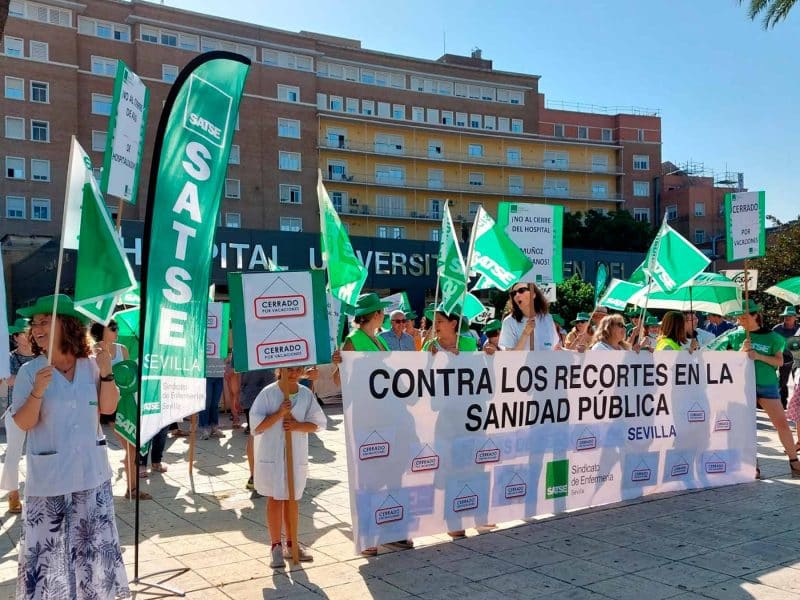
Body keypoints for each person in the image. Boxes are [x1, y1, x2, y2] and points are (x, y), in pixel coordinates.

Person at [11, 294, 129, 598]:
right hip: (50, 483)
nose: (37, 329)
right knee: (48, 559)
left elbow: (108, 408)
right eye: (35, 323)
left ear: (68, 325)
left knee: (92, 555)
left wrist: (107, 372)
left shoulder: (91, 366)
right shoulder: (30, 372)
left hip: (92, 477)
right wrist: (38, 391)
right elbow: (23, 423)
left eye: (45, 321)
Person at [250, 366, 327, 568]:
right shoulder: (268, 393)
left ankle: (292, 543)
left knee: (292, 499)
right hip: (273, 454)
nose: (293, 374)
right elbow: (256, 426)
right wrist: (279, 413)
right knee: (276, 498)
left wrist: (297, 426)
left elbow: (318, 424)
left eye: (298, 369)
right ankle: (276, 546)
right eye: (289, 369)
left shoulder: (305, 394)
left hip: (296, 455)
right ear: (280, 370)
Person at [715, 300, 800, 478]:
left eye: (744, 317)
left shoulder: (773, 337)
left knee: (781, 423)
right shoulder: (734, 336)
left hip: (767, 385)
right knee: (746, 426)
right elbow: (721, 358)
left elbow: (779, 361)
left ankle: (794, 460)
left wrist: (759, 356)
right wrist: (740, 352)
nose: (741, 320)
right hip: (742, 385)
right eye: (739, 317)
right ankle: (752, 465)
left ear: (755, 316)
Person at [90, 319, 148, 499]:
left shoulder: (122, 349)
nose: (116, 331)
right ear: (101, 330)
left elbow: (130, 375)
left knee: (132, 447)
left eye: (117, 328)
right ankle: (129, 489)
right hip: (103, 405)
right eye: (112, 328)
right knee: (128, 447)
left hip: (124, 404)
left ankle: (132, 489)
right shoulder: (92, 351)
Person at [1, 318, 36, 514]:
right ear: (16, 337)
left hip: (40, 409)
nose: (28, 336)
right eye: (24, 332)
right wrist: (35, 380)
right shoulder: (9, 358)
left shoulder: (42, 356)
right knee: (13, 452)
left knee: (38, 451)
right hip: (15, 410)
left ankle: (36, 491)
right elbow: (9, 380)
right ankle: (13, 493)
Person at [241, 368, 276, 490]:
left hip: (250, 393)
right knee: (256, 434)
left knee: (254, 433)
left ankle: (255, 476)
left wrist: (236, 395)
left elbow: (236, 371)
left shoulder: (240, 352)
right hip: (271, 392)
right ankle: (257, 475)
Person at [499, 283, 560, 351]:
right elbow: (509, 356)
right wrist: (525, 334)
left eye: (521, 290)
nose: (517, 295)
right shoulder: (509, 322)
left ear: (533, 294)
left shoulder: (547, 318)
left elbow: (554, 347)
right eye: (513, 293)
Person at [772, 306, 800, 409]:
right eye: (785, 316)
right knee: (782, 381)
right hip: (783, 357)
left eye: (790, 316)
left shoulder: (799, 329)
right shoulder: (777, 329)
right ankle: (781, 404)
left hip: (797, 357)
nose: (787, 318)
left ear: (795, 317)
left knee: (798, 381)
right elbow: (771, 342)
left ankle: (797, 406)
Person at [201, 353, 225, 440]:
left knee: (215, 403)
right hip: (206, 373)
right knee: (206, 403)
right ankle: (204, 428)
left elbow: (226, 352)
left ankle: (214, 426)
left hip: (219, 373)